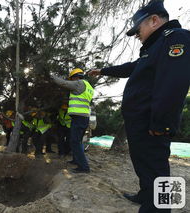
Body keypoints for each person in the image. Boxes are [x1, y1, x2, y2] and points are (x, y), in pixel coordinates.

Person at [89, 1, 190, 212]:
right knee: (144, 166)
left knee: (158, 169)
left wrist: (161, 123)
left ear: (154, 20)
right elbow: (131, 68)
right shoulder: (153, 48)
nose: (137, 35)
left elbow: (173, 85)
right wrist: (103, 70)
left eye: (138, 29)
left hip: (153, 123)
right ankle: (146, 194)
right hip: (139, 122)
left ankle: (160, 208)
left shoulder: (176, 38)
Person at [52, 68, 94, 173]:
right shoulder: (89, 86)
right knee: (77, 141)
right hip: (83, 116)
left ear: (75, 77)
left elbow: (63, 83)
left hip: (79, 117)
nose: (71, 81)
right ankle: (76, 160)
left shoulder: (78, 83)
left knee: (75, 141)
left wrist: (51, 75)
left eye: (71, 78)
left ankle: (84, 167)